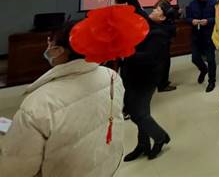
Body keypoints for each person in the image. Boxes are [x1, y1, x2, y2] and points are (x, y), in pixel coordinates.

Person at [0, 23, 125, 176]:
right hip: (106, 167)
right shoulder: (112, 76)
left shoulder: (39, 103)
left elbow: (16, 169)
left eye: (50, 42)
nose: (48, 46)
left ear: (58, 50)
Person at [121, 5, 172, 161]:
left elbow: (149, 57)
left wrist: (127, 52)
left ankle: (160, 137)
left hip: (145, 79)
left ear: (162, 17)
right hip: (132, 76)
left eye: (157, 10)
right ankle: (142, 144)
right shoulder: (149, 25)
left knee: (139, 114)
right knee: (136, 111)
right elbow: (139, 10)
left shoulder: (160, 34)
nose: (153, 11)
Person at [185, 0, 217, 92]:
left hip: (209, 36)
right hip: (196, 36)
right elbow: (187, 18)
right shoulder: (192, 4)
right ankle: (203, 70)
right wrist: (192, 21)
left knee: (211, 60)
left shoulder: (214, 3)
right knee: (195, 58)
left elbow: (218, 18)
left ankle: (212, 81)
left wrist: (208, 21)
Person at [155, 0, 179, 92]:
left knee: (165, 60)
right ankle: (162, 85)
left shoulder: (166, 4)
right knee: (164, 61)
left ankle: (163, 81)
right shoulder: (161, 5)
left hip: (166, 36)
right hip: (163, 36)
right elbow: (167, 18)